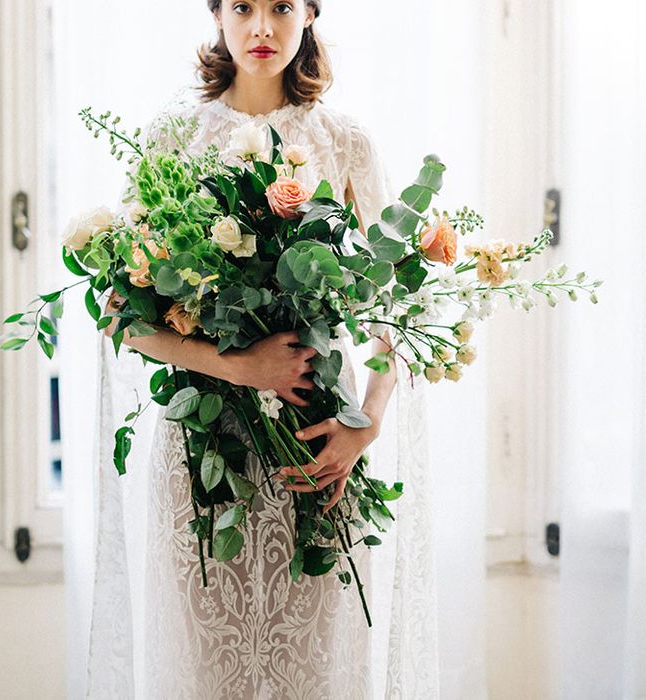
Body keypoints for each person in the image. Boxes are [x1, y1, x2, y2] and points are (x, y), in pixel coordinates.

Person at [86, 1, 440, 697]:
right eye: (242, 7)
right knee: (204, 670)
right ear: (216, 14)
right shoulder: (171, 137)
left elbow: (390, 309)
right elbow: (122, 315)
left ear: (310, 13)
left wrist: (361, 428)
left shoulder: (345, 142)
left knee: (313, 670)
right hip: (201, 455)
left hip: (312, 447)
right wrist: (236, 366)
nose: (261, 29)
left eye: (281, 7)